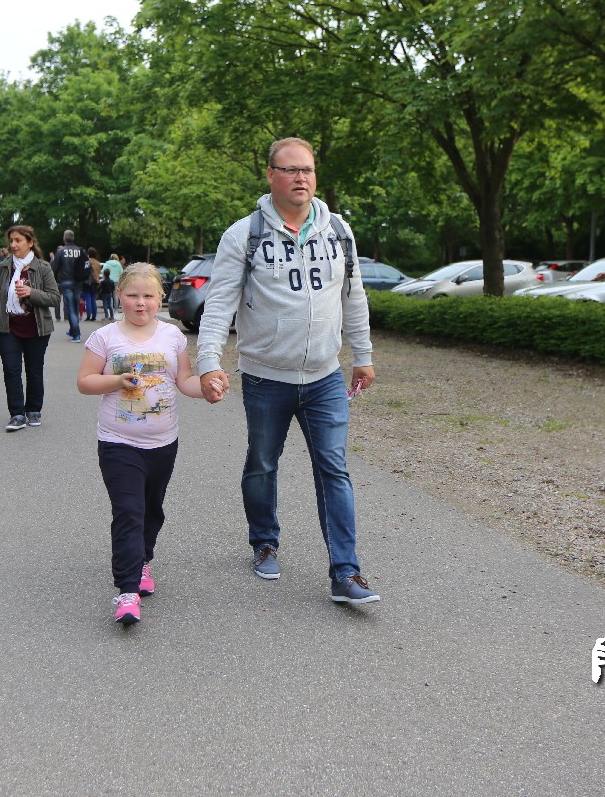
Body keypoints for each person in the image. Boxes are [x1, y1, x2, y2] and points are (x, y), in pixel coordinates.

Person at [196, 136, 380, 605]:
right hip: (265, 378)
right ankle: (264, 542)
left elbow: (353, 296)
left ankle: (346, 572)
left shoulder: (338, 230)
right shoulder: (244, 235)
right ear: (271, 175)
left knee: (333, 468)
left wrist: (363, 354)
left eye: (308, 170)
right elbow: (219, 304)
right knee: (262, 462)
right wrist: (208, 363)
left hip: (325, 377)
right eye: (291, 169)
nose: (302, 178)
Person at [78, 263, 205, 625]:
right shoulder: (104, 337)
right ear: (119, 295)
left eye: (148, 295)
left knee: (151, 511)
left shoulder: (172, 336)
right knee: (128, 511)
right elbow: (85, 381)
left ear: (160, 297)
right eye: (132, 295)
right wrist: (117, 380)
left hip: (163, 443)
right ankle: (127, 590)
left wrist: (208, 388)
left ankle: (143, 559)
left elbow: (185, 380)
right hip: (118, 442)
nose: (140, 303)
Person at [0, 225, 61, 431]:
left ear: (30, 242)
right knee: (11, 371)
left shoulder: (43, 267)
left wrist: (31, 292)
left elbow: (55, 298)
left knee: (34, 371)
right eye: (11, 240)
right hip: (8, 328)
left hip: (37, 329)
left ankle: (34, 409)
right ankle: (17, 414)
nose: (13, 244)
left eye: (18, 240)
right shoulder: (4, 267)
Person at [50, 229, 86, 342]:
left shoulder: (61, 251)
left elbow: (55, 268)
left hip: (66, 281)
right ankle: (73, 330)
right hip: (78, 281)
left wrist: (53, 281)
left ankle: (76, 334)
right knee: (75, 306)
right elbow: (86, 265)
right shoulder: (80, 250)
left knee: (70, 307)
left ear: (64, 238)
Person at [83, 247, 101, 321]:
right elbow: (99, 272)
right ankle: (94, 316)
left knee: (88, 299)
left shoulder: (87, 262)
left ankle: (88, 316)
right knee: (93, 299)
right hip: (95, 282)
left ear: (88, 254)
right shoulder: (98, 263)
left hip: (87, 282)